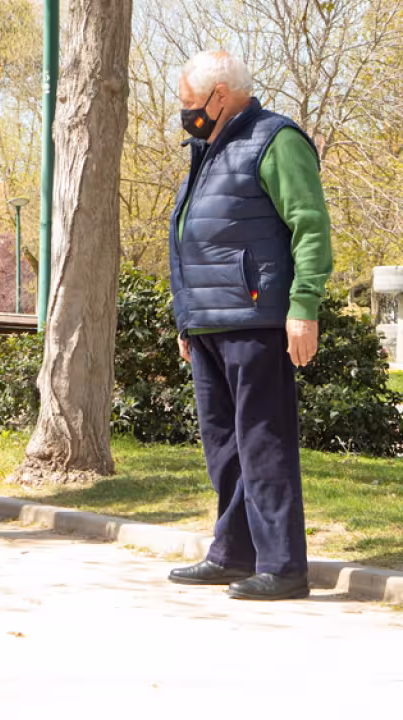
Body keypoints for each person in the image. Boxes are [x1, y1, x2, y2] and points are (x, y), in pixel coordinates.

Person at [165, 51, 332, 601]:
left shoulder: (274, 140)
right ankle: (233, 553)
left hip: (256, 318)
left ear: (219, 96)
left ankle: (284, 566)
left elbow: (309, 227)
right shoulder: (207, 149)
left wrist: (302, 307)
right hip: (209, 321)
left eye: (189, 104)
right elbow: (192, 239)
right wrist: (186, 320)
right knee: (223, 446)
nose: (184, 114)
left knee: (263, 440)